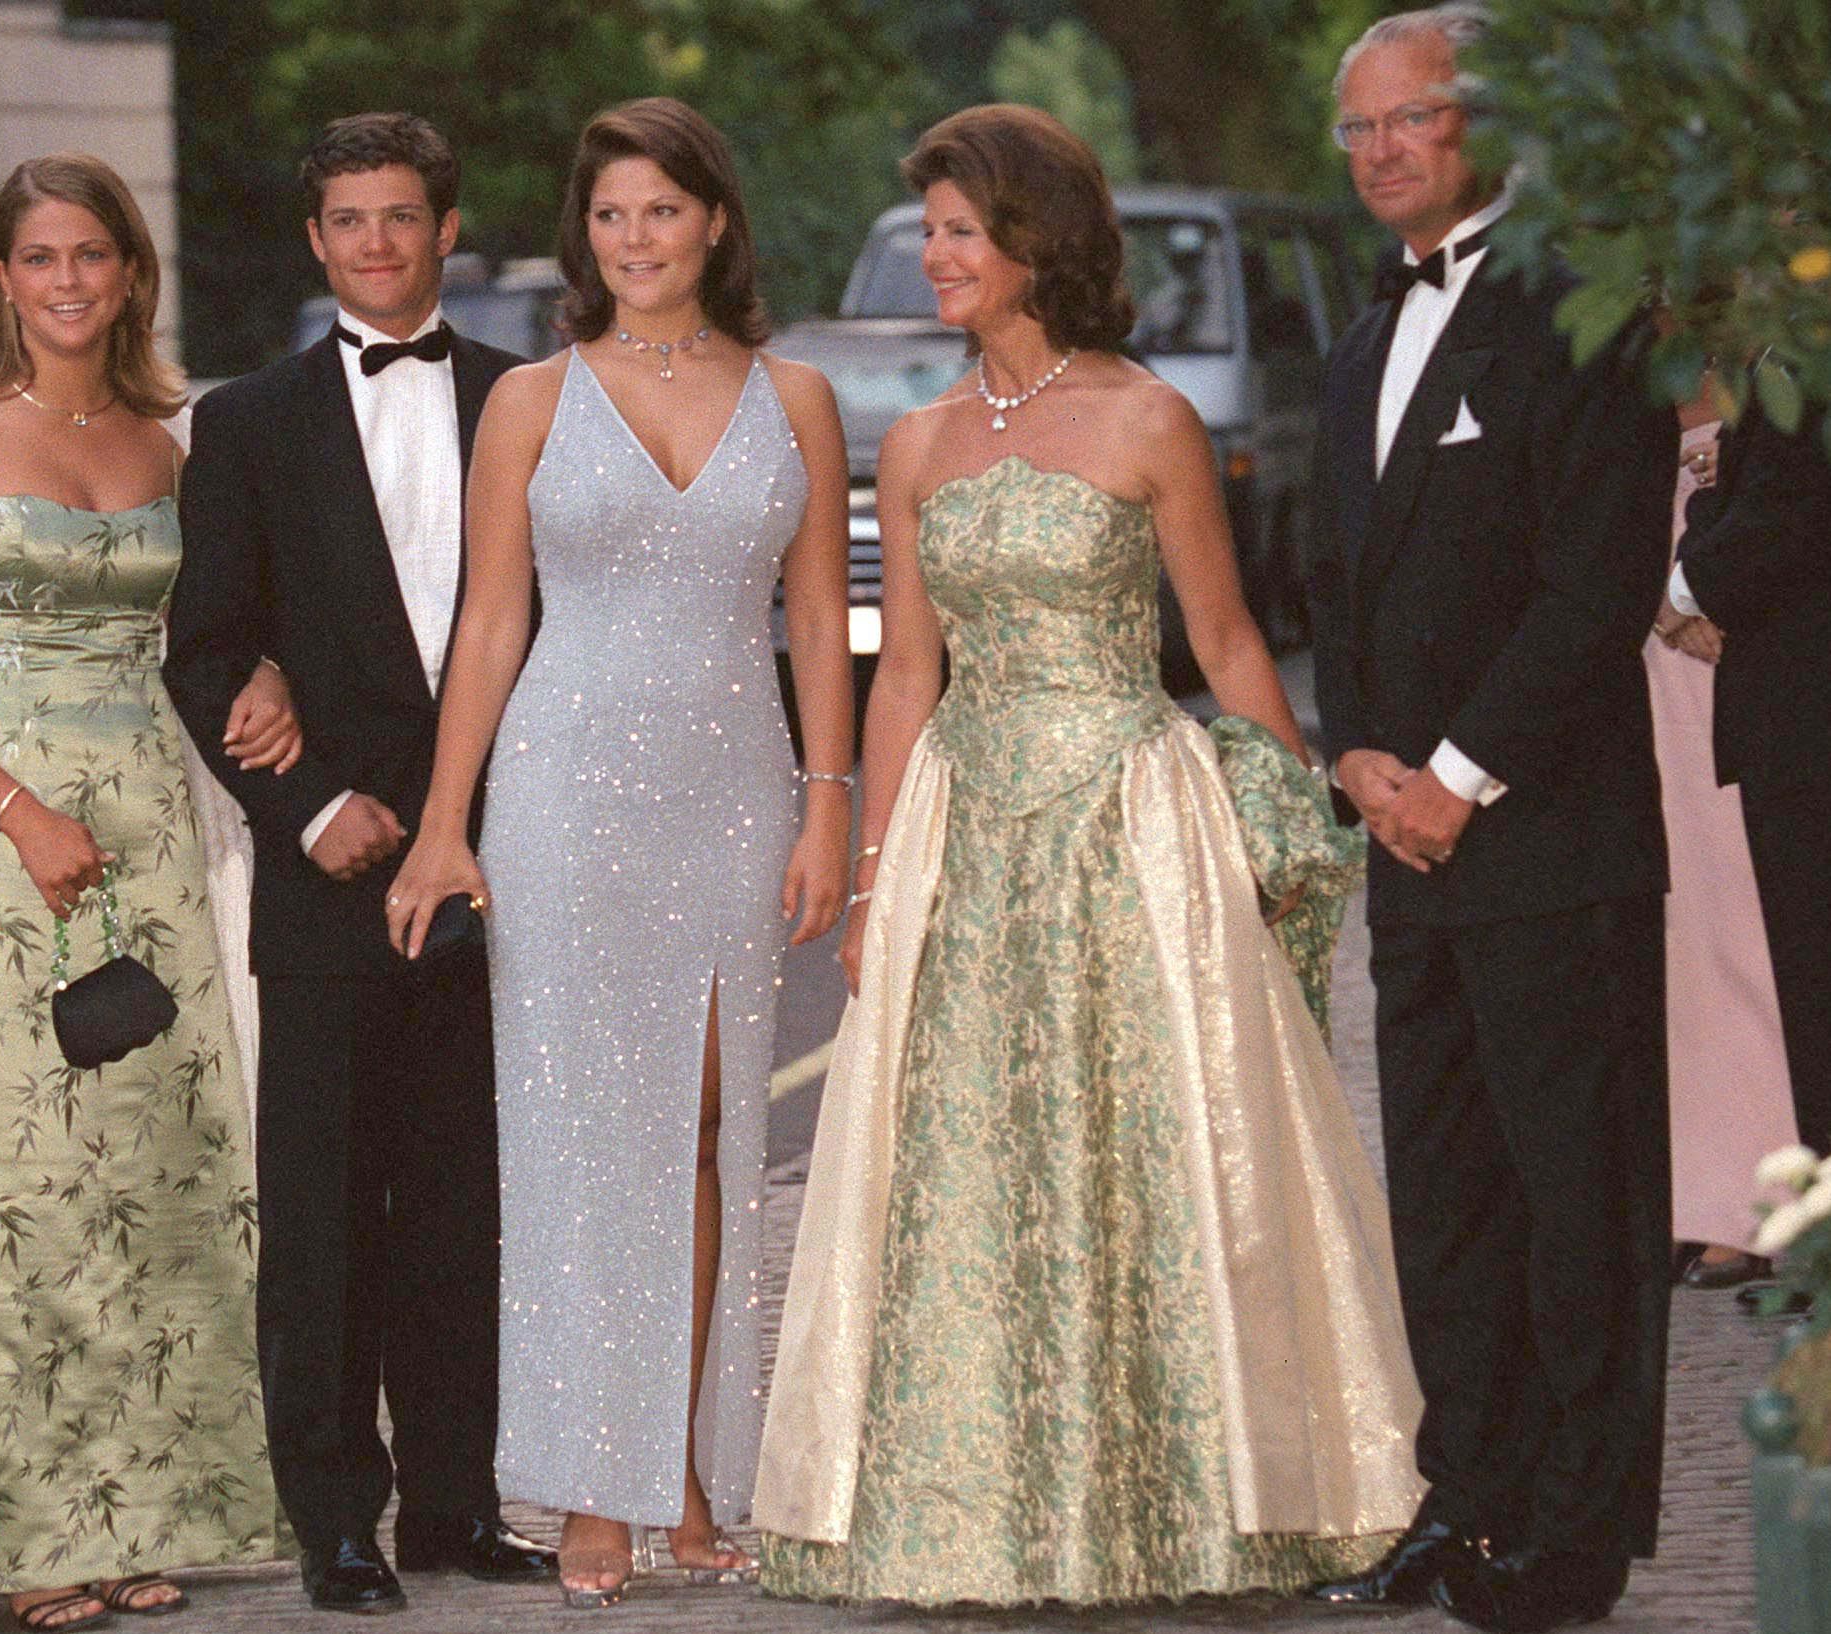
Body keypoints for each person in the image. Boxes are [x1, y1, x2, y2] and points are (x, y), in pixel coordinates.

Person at [752, 102, 1423, 1609]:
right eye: (925, 229)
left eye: (954, 232)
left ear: (1031, 242)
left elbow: (1229, 640)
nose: (929, 257)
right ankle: (975, 1511)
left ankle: (1179, 1503)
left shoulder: (1146, 421)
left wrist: (1285, 819)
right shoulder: (915, 440)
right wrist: (872, 875)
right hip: (969, 836)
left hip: (1129, 826)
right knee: (969, 1172)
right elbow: (905, 670)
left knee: (1153, 1160)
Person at [0, 153, 294, 1632]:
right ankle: (24, 1532)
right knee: (9, 1185)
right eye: (41, 258)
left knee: (150, 1182)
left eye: (93, 254)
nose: (70, 280)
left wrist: (264, 671)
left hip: (158, 839)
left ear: (130, 272)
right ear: (2, 278)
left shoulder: (177, 440)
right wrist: (20, 815)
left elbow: (219, 631)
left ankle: (140, 1511)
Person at [382, 97, 853, 1608]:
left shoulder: (798, 395)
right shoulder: (530, 397)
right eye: (607, 215)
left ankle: (695, 1468)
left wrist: (828, 803)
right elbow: (490, 625)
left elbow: (814, 628)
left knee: (716, 1130)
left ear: (713, 218)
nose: (633, 239)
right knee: (583, 1138)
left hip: (734, 791)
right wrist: (443, 823)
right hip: (563, 790)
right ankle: (595, 1482)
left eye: (659, 209)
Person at [1302, 9, 1677, 1631]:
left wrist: (1456, 773)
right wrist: (1361, 760)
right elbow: (1335, 585)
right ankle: (1463, 1500)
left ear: (1485, 128)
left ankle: (1573, 1535)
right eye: (1358, 129)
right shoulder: (1354, 337)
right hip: (1405, 836)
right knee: (1445, 1190)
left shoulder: (1583, 310)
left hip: (1548, 837)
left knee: (1575, 1196)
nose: (1384, 150)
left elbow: (1594, 582)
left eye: (1413, 120)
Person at [162, 114, 553, 1614]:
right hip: (328, 870)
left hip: (500, 857)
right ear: (315, 241)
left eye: (402, 217)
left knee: (465, 1202)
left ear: (445, 228)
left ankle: (456, 1505)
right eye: (348, 221)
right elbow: (203, 650)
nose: (377, 243)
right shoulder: (246, 421)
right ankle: (333, 1518)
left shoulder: (523, 400)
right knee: (324, 1213)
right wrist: (315, 804)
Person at [1648, 391, 1794, 1290]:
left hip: (1749, 642)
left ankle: (1770, 1190)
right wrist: (1656, 601)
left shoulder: (1771, 350)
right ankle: (1701, 1190)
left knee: (1747, 910)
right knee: (1684, 920)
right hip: (1644, 650)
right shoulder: (1598, 345)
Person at [1671, 385, 1831, 1177]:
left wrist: (1680, 581)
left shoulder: (1800, 363)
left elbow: (1780, 520)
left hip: (1802, 721)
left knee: (1809, 976)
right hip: (1788, 721)